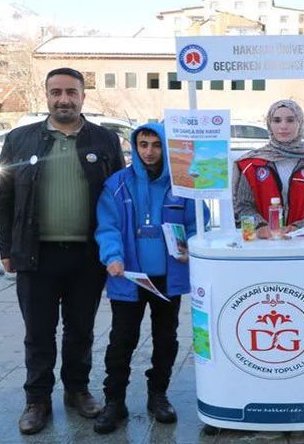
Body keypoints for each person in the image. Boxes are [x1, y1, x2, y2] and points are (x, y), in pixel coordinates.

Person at [0, 67, 125, 435]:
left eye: (71, 91)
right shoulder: (20, 140)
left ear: (83, 96)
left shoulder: (105, 141)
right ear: (46, 96)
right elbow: (3, 198)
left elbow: (119, 198)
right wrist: (6, 246)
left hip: (87, 255)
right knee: (38, 332)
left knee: (80, 329)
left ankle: (77, 390)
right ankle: (37, 400)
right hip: (36, 255)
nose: (63, 98)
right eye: (56, 92)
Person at [93, 123, 208, 433]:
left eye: (156, 145)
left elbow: (197, 224)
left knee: (166, 338)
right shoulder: (118, 184)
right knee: (121, 340)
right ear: (135, 146)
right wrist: (112, 256)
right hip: (128, 278)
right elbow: (108, 226)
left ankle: (158, 394)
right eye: (143, 144)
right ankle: (114, 401)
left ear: (166, 148)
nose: (149, 151)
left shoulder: (183, 185)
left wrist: (191, 248)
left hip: (167, 280)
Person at [234, 99, 304, 236]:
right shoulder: (252, 163)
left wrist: (298, 228)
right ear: (269, 124)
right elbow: (243, 205)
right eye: (276, 120)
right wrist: (260, 227)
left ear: (300, 123)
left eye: (290, 120)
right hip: (264, 244)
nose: (283, 126)